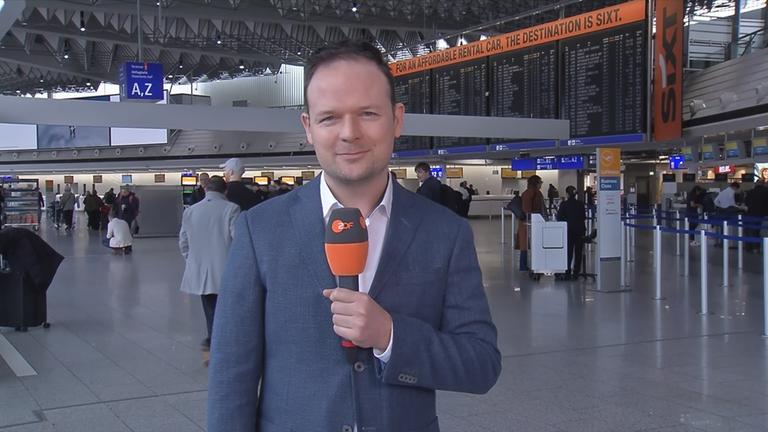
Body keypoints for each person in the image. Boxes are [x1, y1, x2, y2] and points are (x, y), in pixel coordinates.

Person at [207, 40, 500, 432]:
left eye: (367, 113)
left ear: (397, 119)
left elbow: (481, 364)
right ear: (308, 128)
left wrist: (390, 335)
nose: (350, 133)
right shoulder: (261, 230)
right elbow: (231, 378)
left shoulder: (444, 232)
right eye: (329, 117)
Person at [178, 176, 240, 357]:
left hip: (202, 272)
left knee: (210, 309)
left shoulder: (191, 211)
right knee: (228, 310)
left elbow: (183, 242)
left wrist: (193, 261)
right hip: (227, 271)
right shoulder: (231, 209)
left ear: (206, 190)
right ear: (225, 190)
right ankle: (224, 344)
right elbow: (238, 241)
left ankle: (214, 342)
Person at [515, 175, 545, 272]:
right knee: (528, 245)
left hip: (526, 222)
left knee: (525, 245)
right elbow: (528, 209)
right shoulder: (533, 193)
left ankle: (524, 266)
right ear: (536, 183)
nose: (541, 184)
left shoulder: (527, 193)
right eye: (540, 182)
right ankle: (525, 266)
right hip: (530, 223)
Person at [556, 186, 586, 279]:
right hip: (579, 230)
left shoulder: (564, 204)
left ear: (567, 194)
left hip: (568, 230)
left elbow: (559, 218)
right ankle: (576, 272)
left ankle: (567, 270)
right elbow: (583, 217)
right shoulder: (580, 204)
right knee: (578, 252)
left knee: (568, 251)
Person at [744, 180, 768, 252]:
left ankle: (749, 247)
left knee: (750, 230)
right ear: (763, 184)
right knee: (758, 231)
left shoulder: (750, 191)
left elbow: (746, 202)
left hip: (750, 214)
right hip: (763, 214)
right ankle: (758, 247)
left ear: (756, 184)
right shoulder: (766, 191)